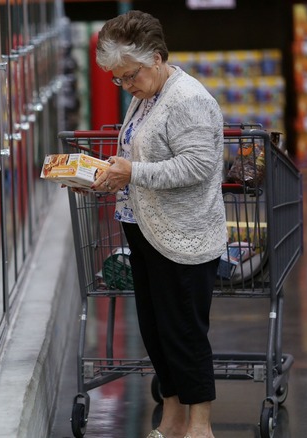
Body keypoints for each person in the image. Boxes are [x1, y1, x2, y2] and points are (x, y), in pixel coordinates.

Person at [91, 10, 226, 438]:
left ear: (157, 57)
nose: (125, 85)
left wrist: (132, 172)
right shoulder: (147, 95)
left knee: (183, 332)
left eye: (129, 75)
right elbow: (140, 159)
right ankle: (171, 421)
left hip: (183, 235)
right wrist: (101, 177)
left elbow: (198, 166)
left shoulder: (188, 99)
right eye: (118, 79)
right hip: (146, 230)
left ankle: (200, 427)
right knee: (157, 332)